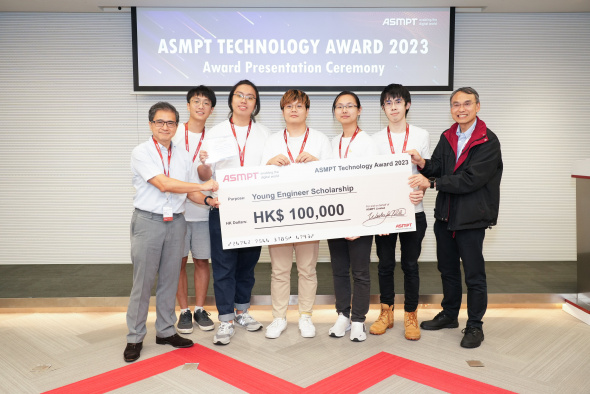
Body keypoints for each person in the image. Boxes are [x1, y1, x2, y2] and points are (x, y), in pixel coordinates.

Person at [124, 102, 220, 363]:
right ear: (150, 124)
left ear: (177, 126)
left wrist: (210, 200)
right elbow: (164, 184)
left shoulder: (183, 155)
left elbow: (191, 193)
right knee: (143, 283)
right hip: (148, 222)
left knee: (169, 279)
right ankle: (134, 337)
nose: (165, 127)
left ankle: (165, 331)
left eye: (170, 123)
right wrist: (205, 184)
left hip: (177, 221)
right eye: (159, 122)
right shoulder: (141, 152)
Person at [408, 87, 503, 349]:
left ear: (478, 106)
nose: (461, 109)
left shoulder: (488, 141)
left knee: (474, 274)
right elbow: (437, 165)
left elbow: (471, 179)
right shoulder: (448, 135)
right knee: (447, 270)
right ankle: (450, 315)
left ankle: (474, 325)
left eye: (467, 104)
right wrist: (423, 163)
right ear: (451, 108)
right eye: (456, 104)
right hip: (446, 216)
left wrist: (433, 182)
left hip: (472, 218)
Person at [198, 80, 271, 345]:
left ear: (255, 104)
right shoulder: (216, 133)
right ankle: (226, 319)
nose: (244, 100)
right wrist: (205, 164)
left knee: (247, 266)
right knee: (224, 265)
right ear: (231, 100)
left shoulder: (265, 133)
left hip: (253, 208)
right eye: (239, 95)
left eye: (250, 97)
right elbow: (204, 174)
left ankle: (242, 311)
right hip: (223, 207)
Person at [260, 89, 332, 339]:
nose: (293, 110)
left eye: (299, 106)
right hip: (278, 214)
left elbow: (334, 176)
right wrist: (268, 164)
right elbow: (258, 177)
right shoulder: (271, 140)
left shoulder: (321, 139)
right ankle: (279, 318)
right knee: (279, 270)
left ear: (307, 110)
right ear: (282, 111)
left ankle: (305, 316)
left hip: (309, 214)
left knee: (307, 269)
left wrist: (317, 164)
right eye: (288, 106)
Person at [370, 84, 430, 341]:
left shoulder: (421, 134)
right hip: (385, 214)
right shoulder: (374, 139)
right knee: (384, 265)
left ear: (407, 104)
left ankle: (411, 314)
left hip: (413, 211)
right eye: (387, 102)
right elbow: (371, 179)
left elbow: (428, 173)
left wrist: (422, 176)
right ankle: (386, 312)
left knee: (410, 266)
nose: (393, 107)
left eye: (397, 101)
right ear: (383, 108)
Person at [327, 91, 377, 342]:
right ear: (335, 112)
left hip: (361, 217)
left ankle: (358, 319)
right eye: (339, 106)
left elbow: (373, 183)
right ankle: (343, 315)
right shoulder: (331, 143)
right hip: (335, 216)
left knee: (360, 272)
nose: (344, 110)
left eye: (350, 106)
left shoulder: (369, 142)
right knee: (338, 270)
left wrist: (362, 220)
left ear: (359, 110)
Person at [171, 86, 216, 334]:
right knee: (178, 263)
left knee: (201, 261)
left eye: (206, 102)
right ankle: (184, 311)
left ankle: (199, 308)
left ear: (212, 109)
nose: (201, 106)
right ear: (187, 106)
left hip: (202, 212)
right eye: (196, 101)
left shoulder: (215, 138)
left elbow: (208, 175)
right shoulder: (174, 134)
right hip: (176, 211)